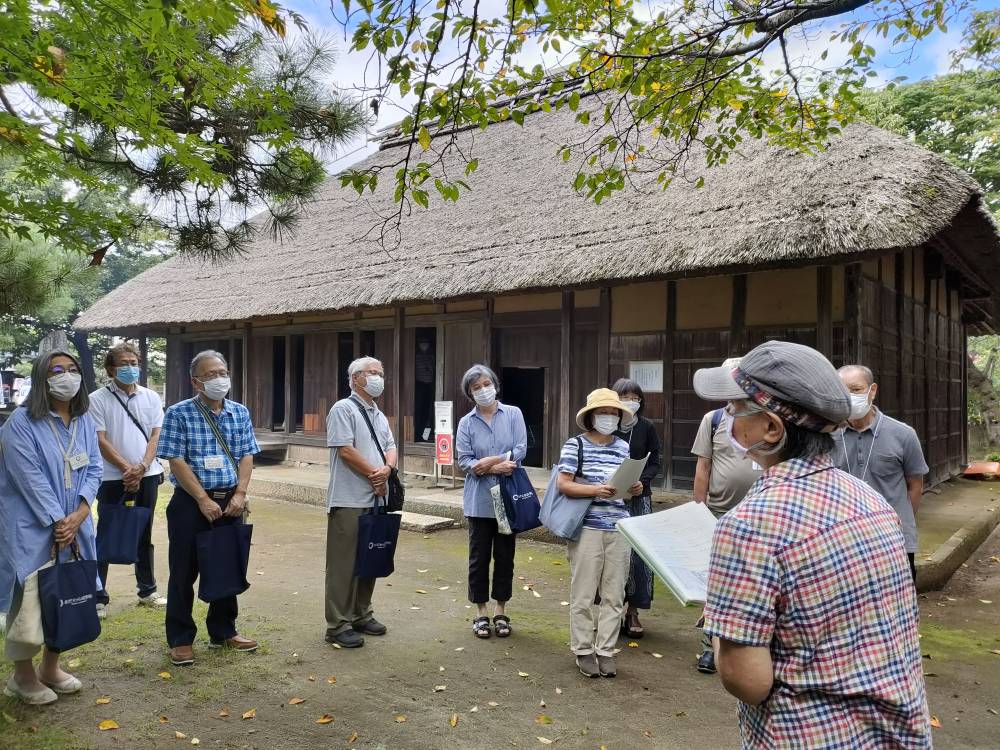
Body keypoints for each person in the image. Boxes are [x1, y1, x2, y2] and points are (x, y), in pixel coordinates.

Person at [693, 341, 930, 748]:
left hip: (807, 734)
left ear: (771, 427)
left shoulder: (750, 525)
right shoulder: (869, 499)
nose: (727, 421)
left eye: (734, 410)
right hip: (895, 732)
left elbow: (747, 681)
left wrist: (720, 622)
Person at [0, 350, 102, 705]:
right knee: (29, 600)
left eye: (73, 369)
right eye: (57, 370)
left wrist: (79, 514)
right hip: (33, 526)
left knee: (65, 593)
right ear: (42, 377)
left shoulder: (84, 420)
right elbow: (28, 479)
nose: (67, 376)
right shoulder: (21, 422)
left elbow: (94, 469)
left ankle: (50, 667)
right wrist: (60, 520)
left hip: (75, 523)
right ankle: (22, 675)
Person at [157, 350, 260, 667]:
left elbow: (246, 454)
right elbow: (175, 459)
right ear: (196, 381)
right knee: (183, 572)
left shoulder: (239, 412)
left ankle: (223, 631)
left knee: (226, 567)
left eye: (222, 372)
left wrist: (240, 493)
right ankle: (181, 638)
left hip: (231, 499)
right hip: (190, 502)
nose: (219, 379)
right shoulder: (179, 413)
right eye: (211, 374)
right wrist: (202, 499)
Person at [557, 388, 643, 679]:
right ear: (592, 416)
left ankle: (605, 650)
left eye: (613, 412)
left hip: (618, 526)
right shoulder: (575, 445)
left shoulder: (622, 447)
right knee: (583, 593)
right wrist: (596, 490)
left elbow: (625, 489)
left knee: (614, 594)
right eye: (604, 412)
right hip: (587, 528)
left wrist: (634, 488)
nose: (609, 417)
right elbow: (563, 485)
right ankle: (583, 649)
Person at [690, 356, 763, 674]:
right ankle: (710, 646)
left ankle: (753, 645)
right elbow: (703, 465)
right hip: (718, 511)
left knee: (755, 582)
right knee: (715, 581)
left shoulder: (767, 419)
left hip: (762, 515)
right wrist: (698, 509)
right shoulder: (714, 419)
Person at [324, 356, 397, 648]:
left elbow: (391, 447)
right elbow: (345, 450)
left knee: (371, 557)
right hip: (349, 497)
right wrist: (374, 474)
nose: (378, 377)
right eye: (372, 372)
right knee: (343, 564)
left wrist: (387, 470)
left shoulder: (378, 413)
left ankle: (361, 613)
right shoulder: (342, 409)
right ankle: (337, 623)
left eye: (381, 372)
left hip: (377, 496)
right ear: (356, 378)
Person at [89, 342, 166, 617]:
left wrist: (143, 466)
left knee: (143, 532)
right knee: (107, 532)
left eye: (134, 363)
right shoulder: (97, 399)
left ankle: (147, 589)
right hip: (111, 478)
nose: (130, 368)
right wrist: (126, 469)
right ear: (111, 369)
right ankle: (98, 595)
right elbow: (100, 440)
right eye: (124, 364)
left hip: (149, 474)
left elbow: (157, 435)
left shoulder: (151, 397)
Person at [834, 364, 928, 582]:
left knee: (899, 604)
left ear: (872, 390)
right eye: (842, 391)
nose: (849, 397)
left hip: (893, 540)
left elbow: (915, 485)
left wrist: (900, 521)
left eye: (855, 390)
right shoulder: (828, 437)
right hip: (842, 540)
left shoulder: (903, 434)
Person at [455, 365, 527, 639]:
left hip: (508, 498)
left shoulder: (513, 414)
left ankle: (500, 609)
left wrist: (490, 462)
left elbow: (520, 449)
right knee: (478, 557)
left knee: (505, 557)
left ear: (495, 384)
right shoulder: (466, 422)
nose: (483, 390)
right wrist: (492, 466)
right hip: (479, 500)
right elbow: (464, 460)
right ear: (470, 394)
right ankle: (481, 612)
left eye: (486, 384)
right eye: (476, 387)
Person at [610, 378, 661, 640]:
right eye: (624, 396)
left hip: (640, 499)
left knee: (639, 555)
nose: (630, 400)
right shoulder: (606, 424)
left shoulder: (646, 427)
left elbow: (655, 461)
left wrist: (644, 481)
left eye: (634, 396)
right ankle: (611, 611)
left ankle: (633, 611)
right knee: (613, 553)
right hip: (611, 498)